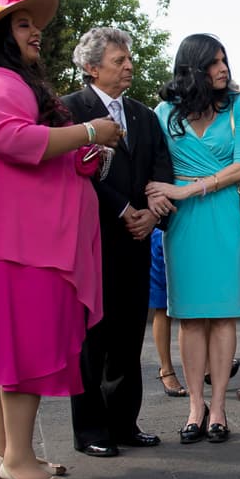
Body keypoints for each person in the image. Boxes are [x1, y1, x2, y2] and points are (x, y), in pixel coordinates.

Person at [0, 0, 122, 479]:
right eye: (21, 25)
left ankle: (9, 452)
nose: (34, 31)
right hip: (16, 245)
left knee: (6, 356)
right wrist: (90, 132)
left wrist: (79, 149)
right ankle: (17, 458)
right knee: (21, 354)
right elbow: (19, 142)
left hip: (4, 242)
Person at [63, 27, 175, 457]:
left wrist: (153, 211)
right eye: (118, 59)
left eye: (129, 57)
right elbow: (74, 171)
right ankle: (91, 429)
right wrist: (121, 209)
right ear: (91, 68)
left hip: (138, 239)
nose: (129, 64)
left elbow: (162, 169)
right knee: (92, 337)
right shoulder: (71, 111)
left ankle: (124, 421)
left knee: (130, 333)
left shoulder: (144, 115)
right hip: (92, 238)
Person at [149, 35, 240, 444]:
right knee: (190, 316)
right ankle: (195, 407)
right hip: (183, 224)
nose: (223, 68)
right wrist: (160, 193)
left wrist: (184, 189)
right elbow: (155, 166)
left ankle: (219, 409)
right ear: (192, 68)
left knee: (224, 315)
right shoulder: (164, 112)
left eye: (224, 59)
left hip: (225, 214)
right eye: (213, 62)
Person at [148, 228, 187, 397]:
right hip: (161, 228)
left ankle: (205, 365)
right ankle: (166, 369)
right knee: (163, 305)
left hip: (190, 228)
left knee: (196, 303)